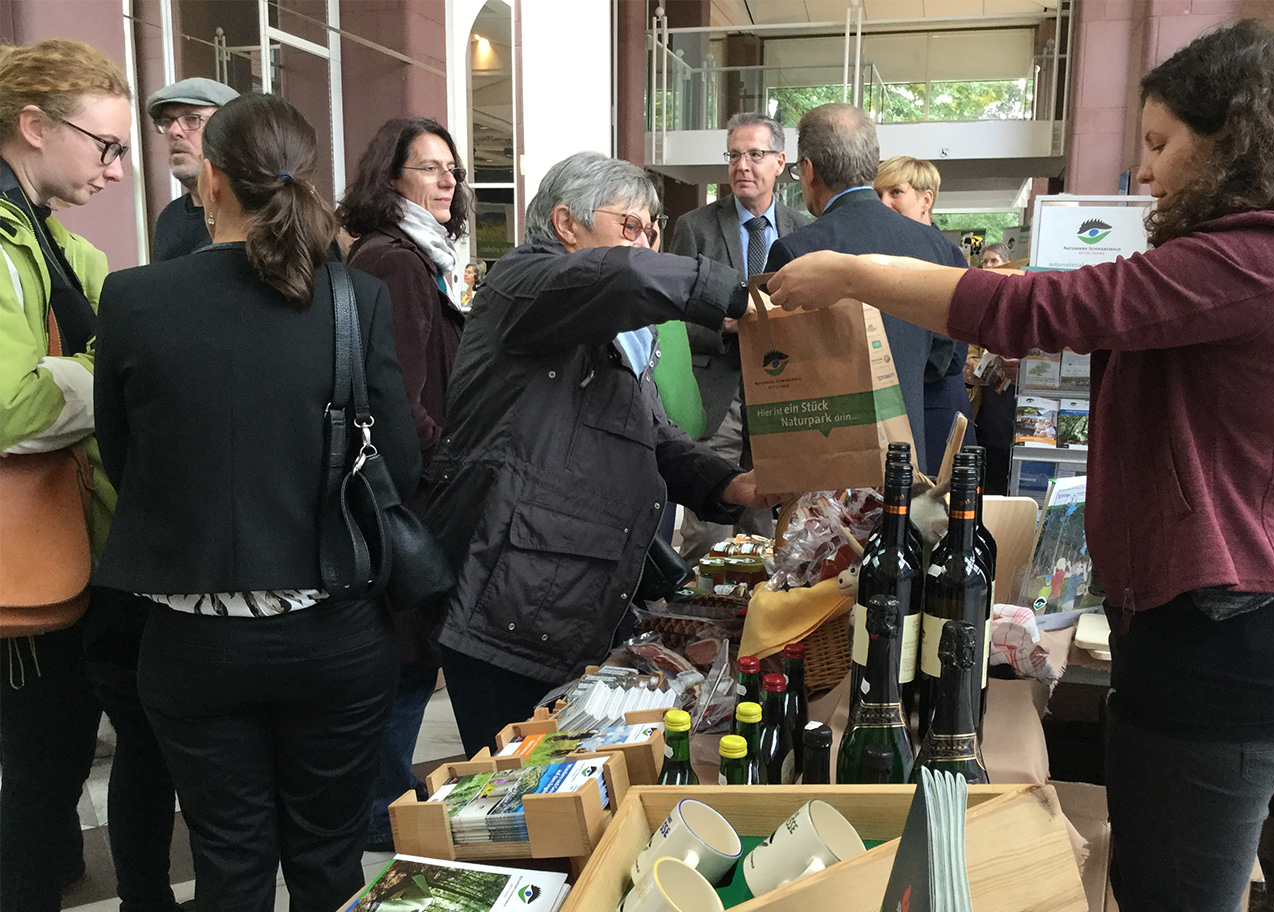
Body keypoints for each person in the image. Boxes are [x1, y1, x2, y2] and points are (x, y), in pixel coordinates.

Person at [766, 20, 1274, 912]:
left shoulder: (1270, 255)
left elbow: (1044, 309)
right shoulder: (1226, 258)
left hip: (1230, 638)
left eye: (1160, 142)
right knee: (1146, 882)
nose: (1144, 170)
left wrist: (856, 271)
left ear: (1231, 140)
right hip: (1188, 632)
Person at [93, 92, 419, 910]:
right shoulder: (352, 299)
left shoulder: (133, 299)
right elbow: (401, 466)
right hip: (333, 631)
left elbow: (121, 460)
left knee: (229, 868)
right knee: (327, 865)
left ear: (209, 182)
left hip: (191, 644)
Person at [422, 151, 776, 756]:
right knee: (520, 788)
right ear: (566, 225)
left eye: (652, 229)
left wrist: (728, 486)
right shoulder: (523, 281)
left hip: (569, 596)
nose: (645, 243)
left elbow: (655, 435)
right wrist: (735, 296)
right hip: (510, 601)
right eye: (630, 227)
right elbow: (626, 275)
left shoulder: (612, 326)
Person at [0, 38, 170, 912]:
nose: (115, 170)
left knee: (50, 780)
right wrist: (103, 385)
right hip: (24, 575)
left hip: (70, 552)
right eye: (104, 146)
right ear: (34, 126)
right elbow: (11, 405)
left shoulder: (56, 245)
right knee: (33, 785)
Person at [336, 116, 471, 852]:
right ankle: (381, 804)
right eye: (429, 169)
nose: (448, 181)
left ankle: (385, 796)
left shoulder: (422, 255)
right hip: (413, 496)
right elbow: (402, 398)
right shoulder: (397, 261)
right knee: (407, 660)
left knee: (412, 659)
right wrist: (451, 467)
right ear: (391, 180)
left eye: (451, 168)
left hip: (418, 490)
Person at [765, 104, 965, 475]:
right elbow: (942, 362)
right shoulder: (940, 250)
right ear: (872, 165)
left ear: (808, 171)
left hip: (825, 471)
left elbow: (774, 375)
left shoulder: (795, 253)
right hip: (907, 465)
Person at [670, 112, 809, 562]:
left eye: (755, 154)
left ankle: (757, 623)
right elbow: (671, 316)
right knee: (708, 531)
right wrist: (724, 323)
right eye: (734, 155)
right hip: (718, 393)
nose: (742, 165)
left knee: (767, 529)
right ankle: (691, 622)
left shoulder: (804, 230)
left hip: (781, 390)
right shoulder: (696, 227)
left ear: (781, 163)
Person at [873, 154, 977, 466]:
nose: (884, 203)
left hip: (935, 412)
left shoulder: (946, 257)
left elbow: (952, 355)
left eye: (895, 192)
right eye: (877, 194)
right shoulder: (888, 254)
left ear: (925, 199)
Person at [144, 76, 238, 261]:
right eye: (167, 121)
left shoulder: (248, 218)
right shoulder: (170, 218)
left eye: (192, 119)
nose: (173, 131)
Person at [963, 242, 1019, 494]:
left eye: (994, 261)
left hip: (1013, 415)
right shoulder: (978, 307)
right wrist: (971, 368)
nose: (988, 267)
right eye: (985, 262)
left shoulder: (1021, 305)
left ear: (1008, 265)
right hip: (983, 413)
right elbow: (965, 355)